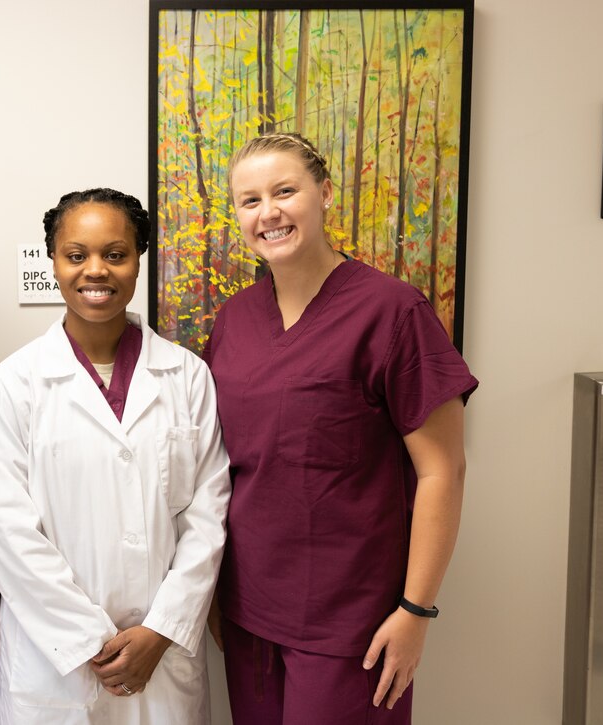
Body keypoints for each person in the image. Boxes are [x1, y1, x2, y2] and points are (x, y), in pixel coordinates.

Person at [204, 133, 478, 724]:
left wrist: (415, 610)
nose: (268, 212)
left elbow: (443, 469)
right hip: (249, 606)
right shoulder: (234, 321)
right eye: (250, 201)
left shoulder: (392, 311)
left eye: (285, 191)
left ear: (324, 194)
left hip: (353, 617)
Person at [0, 188, 231, 724]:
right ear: (54, 261)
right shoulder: (13, 384)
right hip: (57, 665)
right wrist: (88, 640)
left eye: (115, 254)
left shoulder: (187, 377)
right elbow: (8, 533)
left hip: (162, 659)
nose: (96, 270)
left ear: (139, 261)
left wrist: (162, 630)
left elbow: (208, 518)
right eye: (77, 255)